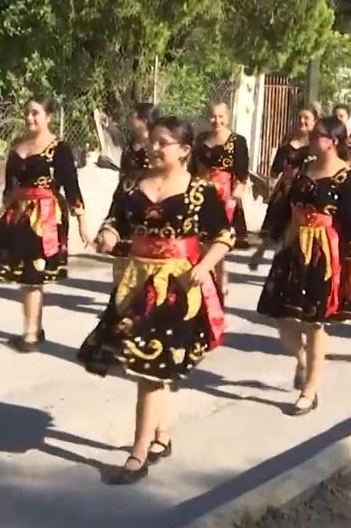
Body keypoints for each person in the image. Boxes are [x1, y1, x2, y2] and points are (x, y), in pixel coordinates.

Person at [78, 117, 234, 485]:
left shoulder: (201, 190)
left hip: (178, 287)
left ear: (184, 150)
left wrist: (205, 265)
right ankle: (160, 436)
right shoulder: (132, 184)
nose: (154, 147)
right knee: (150, 365)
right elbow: (116, 220)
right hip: (136, 283)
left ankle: (138, 453)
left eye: (164, 142)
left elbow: (223, 235)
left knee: (149, 368)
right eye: (153, 141)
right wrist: (108, 235)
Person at [256, 116, 351, 415]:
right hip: (293, 248)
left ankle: (310, 389)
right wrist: (271, 238)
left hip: (323, 253)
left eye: (318, 135)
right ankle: (302, 358)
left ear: (334, 141)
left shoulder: (348, 178)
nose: (312, 138)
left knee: (314, 323)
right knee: (281, 317)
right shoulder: (304, 168)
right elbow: (286, 207)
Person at [0, 96, 90, 351]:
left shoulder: (59, 148)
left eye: (36, 113)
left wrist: (82, 220)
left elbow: (71, 186)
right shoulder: (18, 147)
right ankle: (34, 328)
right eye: (27, 113)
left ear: (48, 117)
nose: (30, 118)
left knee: (33, 274)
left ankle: (29, 334)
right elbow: (9, 189)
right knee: (25, 275)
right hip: (19, 214)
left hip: (47, 216)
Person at [250, 107, 318, 268]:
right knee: (276, 221)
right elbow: (274, 171)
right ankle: (263, 251)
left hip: (305, 191)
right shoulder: (287, 144)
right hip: (285, 188)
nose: (302, 121)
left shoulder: (316, 146)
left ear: (315, 121)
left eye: (306, 118)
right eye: (300, 117)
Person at [193, 102, 251, 291]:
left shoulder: (237, 141)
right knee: (201, 238)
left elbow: (242, 172)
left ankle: (219, 277)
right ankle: (208, 276)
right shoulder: (201, 139)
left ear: (228, 117)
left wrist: (236, 195)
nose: (216, 121)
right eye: (213, 116)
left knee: (219, 238)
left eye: (220, 116)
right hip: (201, 191)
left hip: (225, 195)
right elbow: (193, 167)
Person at [109, 103, 160, 281]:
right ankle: (119, 293)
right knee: (121, 249)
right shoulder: (131, 144)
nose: (130, 119)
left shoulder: (155, 146)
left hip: (143, 200)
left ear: (143, 120)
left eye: (134, 116)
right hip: (124, 198)